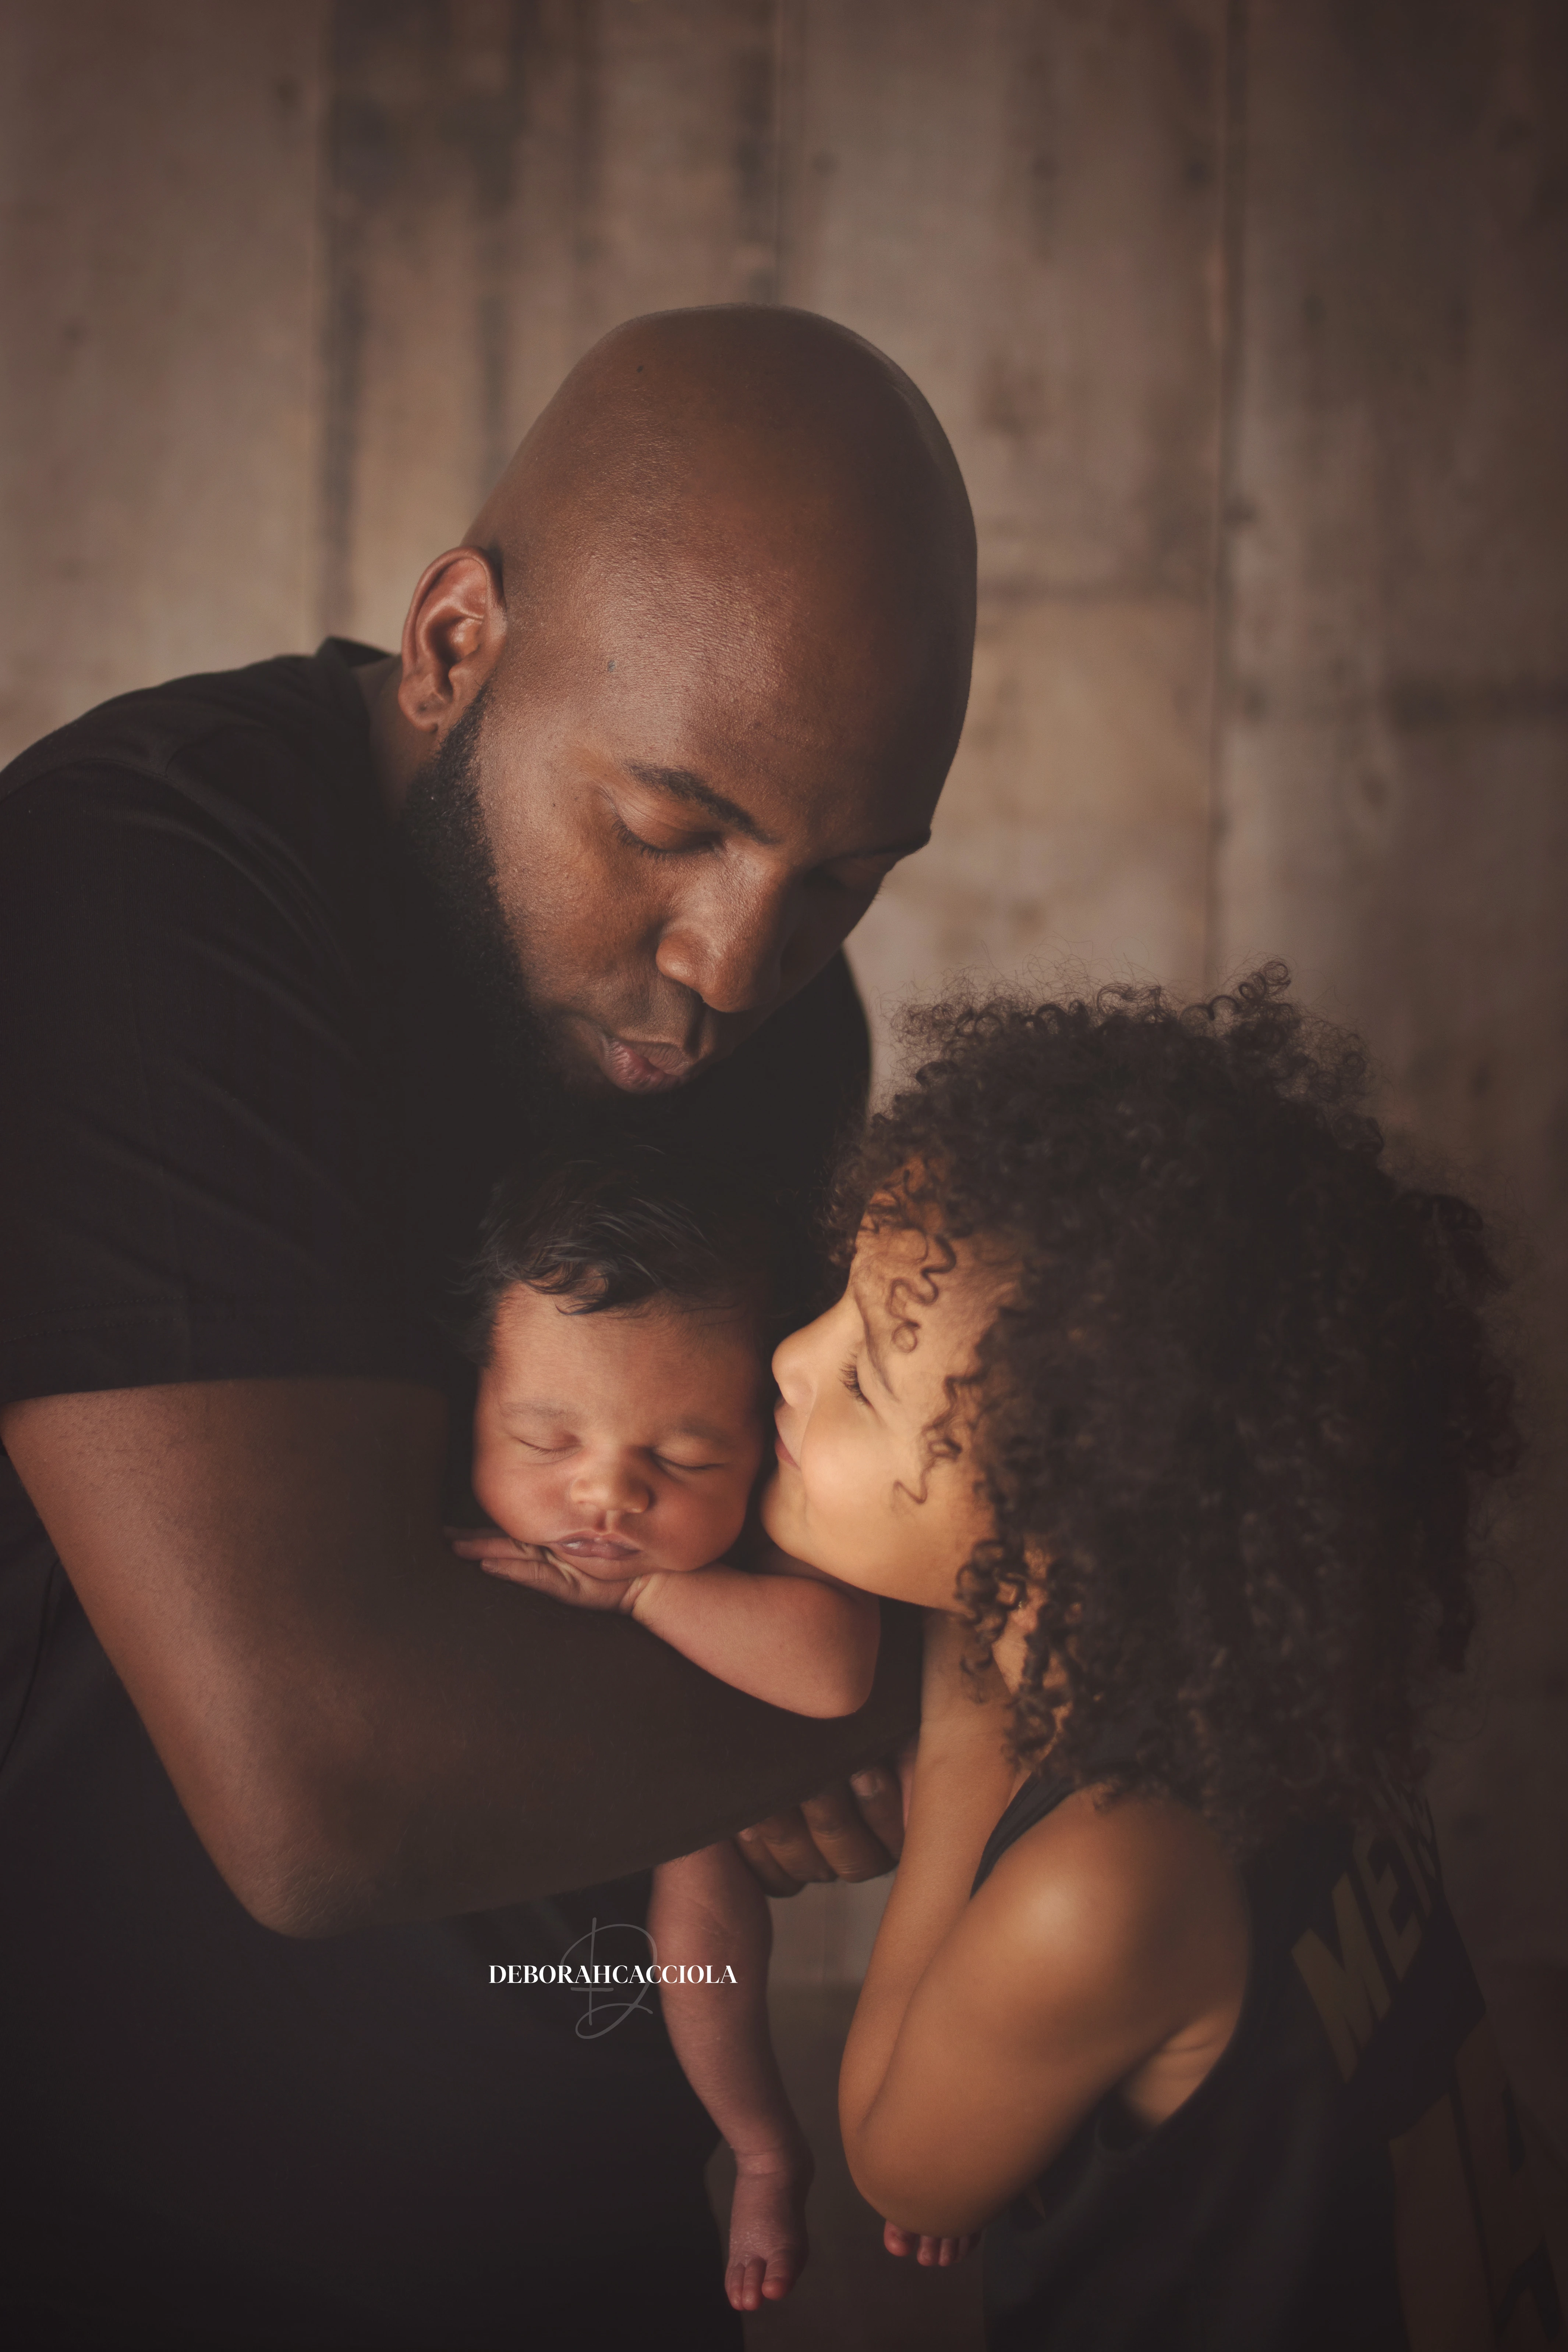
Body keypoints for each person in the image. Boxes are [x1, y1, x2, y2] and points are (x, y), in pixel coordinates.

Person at [0, 305, 975, 2348]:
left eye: (843, 879)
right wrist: (959, 1686)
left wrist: (766, 1684)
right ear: (457, 645)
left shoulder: (777, 1032)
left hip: (602, 2229)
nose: (737, 961)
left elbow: (782, 1567)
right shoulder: (140, 887)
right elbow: (318, 1787)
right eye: (673, 826)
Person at [762, 970, 1561, 2349]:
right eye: (840, 1307)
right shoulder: (1282, 1694)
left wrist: (958, 1696)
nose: (786, 1359)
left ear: (1067, 1508)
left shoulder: (1104, 1882)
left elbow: (897, 2159)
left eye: (862, 1387)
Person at [447, 1145, 880, 2315]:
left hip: (676, 1794)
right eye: (547, 1443)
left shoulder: (746, 1546)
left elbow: (835, 1671)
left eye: (686, 1458)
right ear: (470, 1401)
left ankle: (761, 2148)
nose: (607, 1496)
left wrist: (645, 1594)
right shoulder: (433, 1505)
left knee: (694, 1914)